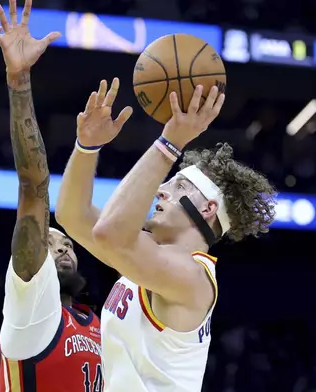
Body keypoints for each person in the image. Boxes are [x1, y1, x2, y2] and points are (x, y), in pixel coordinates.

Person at [57, 79, 277, 391]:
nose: (161, 190)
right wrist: (86, 146)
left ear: (207, 208)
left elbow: (108, 232)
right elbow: (72, 216)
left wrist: (170, 142)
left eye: (179, 187)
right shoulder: (147, 256)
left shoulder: (191, 279)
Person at [0, 1, 101, 391]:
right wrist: (19, 80)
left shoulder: (102, 329)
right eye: (49, 242)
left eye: (67, 242)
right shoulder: (30, 307)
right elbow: (33, 187)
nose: (62, 247)